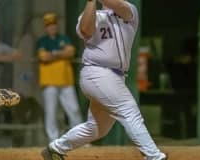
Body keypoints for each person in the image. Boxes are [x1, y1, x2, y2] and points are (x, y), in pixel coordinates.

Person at [42, 1, 167, 160]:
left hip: (115, 77)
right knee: (129, 110)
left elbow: (119, 7)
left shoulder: (129, 10)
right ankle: (154, 156)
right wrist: (90, 2)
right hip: (97, 72)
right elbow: (85, 31)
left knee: (97, 128)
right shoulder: (91, 14)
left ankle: (55, 148)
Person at [37, 12, 83, 142]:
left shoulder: (64, 38)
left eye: (53, 24)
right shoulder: (42, 41)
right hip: (49, 82)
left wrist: (53, 54)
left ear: (57, 26)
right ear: (45, 28)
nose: (51, 27)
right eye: (48, 25)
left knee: (74, 110)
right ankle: (53, 140)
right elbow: (43, 57)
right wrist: (60, 54)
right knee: (51, 112)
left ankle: (79, 139)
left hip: (65, 81)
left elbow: (71, 52)